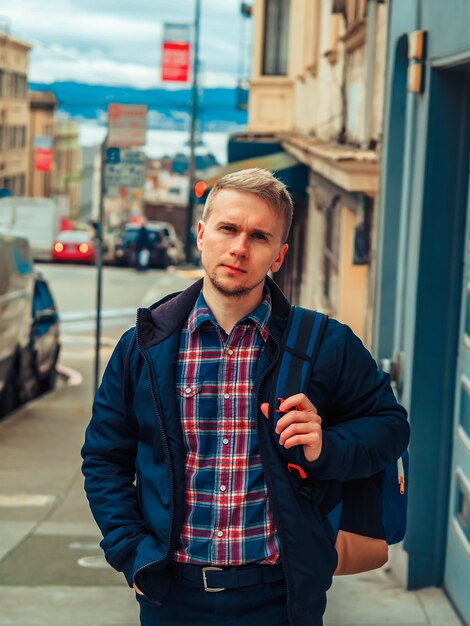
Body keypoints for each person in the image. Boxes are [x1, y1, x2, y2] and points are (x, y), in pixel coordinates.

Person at [81, 168, 409, 626]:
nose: (239, 248)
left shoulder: (324, 343)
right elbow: (103, 458)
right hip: (172, 595)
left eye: (259, 236)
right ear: (201, 234)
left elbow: (391, 426)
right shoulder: (145, 346)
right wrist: (130, 553)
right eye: (228, 228)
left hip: (281, 596)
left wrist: (327, 446)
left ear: (279, 255)